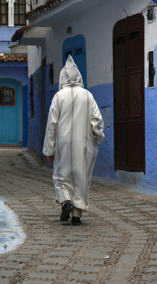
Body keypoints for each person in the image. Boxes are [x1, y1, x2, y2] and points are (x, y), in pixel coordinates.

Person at [43, 55, 105, 226]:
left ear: (62, 77)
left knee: (60, 177)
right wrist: (98, 137)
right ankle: (77, 216)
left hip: (63, 145)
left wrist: (49, 149)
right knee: (81, 178)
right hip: (84, 145)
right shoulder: (88, 96)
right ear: (79, 77)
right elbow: (97, 120)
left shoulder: (58, 97)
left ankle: (65, 203)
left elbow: (51, 124)